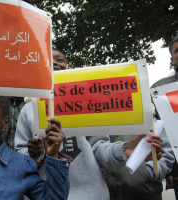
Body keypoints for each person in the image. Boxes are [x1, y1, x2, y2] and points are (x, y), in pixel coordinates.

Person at [14, 48, 165, 200]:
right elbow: (19, 158)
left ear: (67, 66)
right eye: (47, 60)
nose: (54, 62)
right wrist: (35, 155)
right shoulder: (29, 109)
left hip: (93, 195)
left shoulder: (86, 103)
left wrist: (124, 150)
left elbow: (98, 148)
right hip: (46, 195)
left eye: (59, 60)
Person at [151, 36, 178, 199]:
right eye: (177, 51)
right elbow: (159, 129)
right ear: (172, 59)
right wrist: (169, 169)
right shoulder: (160, 90)